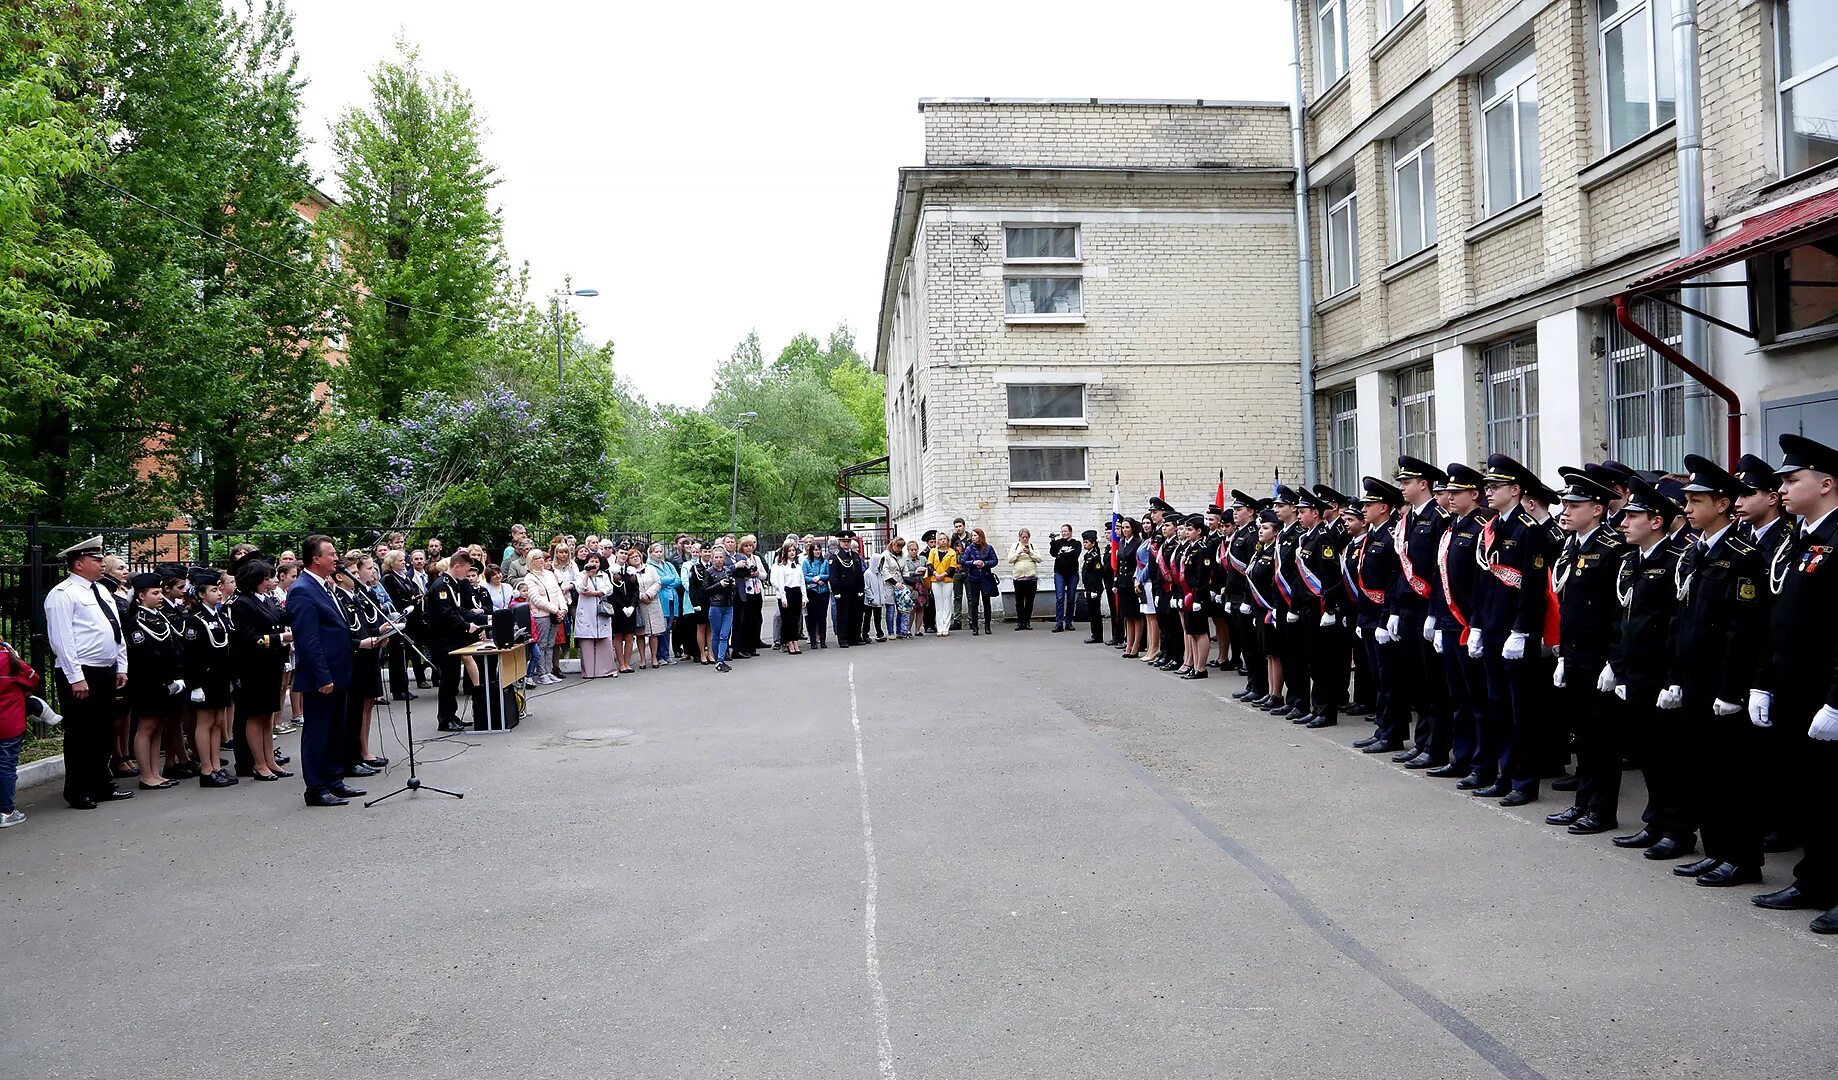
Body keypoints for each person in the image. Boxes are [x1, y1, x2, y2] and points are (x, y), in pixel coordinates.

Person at [1665, 455, 1767, 888]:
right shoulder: (1695, 551)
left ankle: (1742, 858)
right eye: (1686, 499)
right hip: (1692, 678)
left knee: (1730, 775)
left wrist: (1730, 689)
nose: (1687, 507)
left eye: (1696, 499)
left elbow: (1741, 630)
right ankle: (1717, 850)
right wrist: (1673, 676)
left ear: (1723, 503)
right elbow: (1681, 620)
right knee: (1701, 770)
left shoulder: (1742, 557)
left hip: (1721, 684)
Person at [1750, 434, 1838, 933]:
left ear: (1825, 484)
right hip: (1795, 685)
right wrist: (1764, 680)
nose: (1781, 488)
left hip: (1826, 689)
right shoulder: (1801, 539)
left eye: (1791, 479)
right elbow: (1778, 616)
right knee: (1813, 793)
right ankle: (1815, 880)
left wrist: (1837, 701)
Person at [1604, 477, 1692, 860]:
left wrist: (1673, 679)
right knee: (1649, 756)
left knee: (1671, 758)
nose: (1623, 522)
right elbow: (1624, 620)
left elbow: (1676, 625)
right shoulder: (1632, 561)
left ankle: (1678, 830)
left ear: (1656, 521)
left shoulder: (1674, 561)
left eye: (1633, 516)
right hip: (1636, 673)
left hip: (1661, 676)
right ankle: (1656, 822)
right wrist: (1618, 667)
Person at [1542, 470, 1628, 834]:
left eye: (1574, 505)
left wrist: (1614, 661)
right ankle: (1583, 802)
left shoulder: (1612, 549)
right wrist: (1563, 656)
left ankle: (1601, 810)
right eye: (1564, 503)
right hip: (1575, 653)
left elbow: (1619, 611)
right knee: (1583, 734)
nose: (1565, 510)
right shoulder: (1573, 544)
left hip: (1599, 658)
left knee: (1602, 737)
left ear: (1597, 509)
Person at [42, 536, 133, 809]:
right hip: (82, 672)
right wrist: (76, 677)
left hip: (105, 670)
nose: (101, 564)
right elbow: (61, 639)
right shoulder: (63, 594)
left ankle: (101, 783)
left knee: (104, 731)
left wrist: (122, 665)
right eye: (96, 560)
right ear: (78, 564)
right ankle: (78, 790)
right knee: (81, 733)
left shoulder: (102, 591)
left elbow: (115, 631)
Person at [287, 536, 362, 805]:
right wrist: (322, 676)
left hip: (339, 671)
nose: (336, 558)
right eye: (331, 554)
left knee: (335, 729)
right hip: (323, 675)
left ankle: (334, 779)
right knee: (318, 731)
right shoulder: (302, 589)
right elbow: (307, 639)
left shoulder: (325, 586)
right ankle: (316, 787)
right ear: (316, 558)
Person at [229, 560, 292, 782]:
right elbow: (248, 638)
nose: (269, 582)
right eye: (265, 579)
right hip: (253, 667)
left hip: (270, 664)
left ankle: (269, 759)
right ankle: (258, 762)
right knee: (255, 716)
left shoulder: (266, 600)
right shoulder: (242, 604)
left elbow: (281, 618)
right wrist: (280, 638)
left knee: (267, 716)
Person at [426, 550, 490, 732]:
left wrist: (480, 620)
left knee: (453, 678)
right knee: (448, 678)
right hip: (443, 638)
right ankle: (445, 719)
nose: (468, 575)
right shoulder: (442, 586)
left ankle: (451, 715)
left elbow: (459, 610)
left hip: (452, 637)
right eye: (466, 569)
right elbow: (446, 613)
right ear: (457, 566)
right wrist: (465, 626)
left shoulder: (453, 584)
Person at [0, 635, 41, 827]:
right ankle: (6, 811)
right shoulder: (7, 657)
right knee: (6, 767)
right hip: (9, 723)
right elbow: (33, 678)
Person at [520, 549, 566, 685]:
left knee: (551, 644)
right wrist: (555, 610)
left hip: (554, 614)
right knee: (542, 644)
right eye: (537, 558)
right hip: (541, 615)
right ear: (530, 561)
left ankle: (549, 670)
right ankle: (541, 673)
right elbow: (535, 598)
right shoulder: (529, 578)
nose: (541, 560)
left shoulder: (550, 574)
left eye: (542, 558)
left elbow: (558, 592)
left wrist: (563, 609)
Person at [572, 553, 616, 678]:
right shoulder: (580, 575)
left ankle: (606, 670)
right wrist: (586, 574)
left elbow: (609, 589)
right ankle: (589, 672)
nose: (594, 564)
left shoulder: (604, 575)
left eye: (596, 561)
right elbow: (581, 588)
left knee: (604, 638)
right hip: (586, 610)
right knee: (587, 639)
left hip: (601, 610)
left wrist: (597, 593)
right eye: (591, 561)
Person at [705, 541, 743, 672]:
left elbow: (734, 588)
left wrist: (731, 585)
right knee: (716, 634)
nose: (719, 560)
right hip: (715, 606)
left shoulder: (727, 570)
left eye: (721, 557)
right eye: (716, 557)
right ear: (712, 558)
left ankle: (721, 660)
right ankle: (718, 660)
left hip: (728, 606)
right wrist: (719, 585)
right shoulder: (709, 572)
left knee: (724, 635)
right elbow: (705, 590)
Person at [648, 543, 682, 666]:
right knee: (660, 628)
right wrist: (668, 579)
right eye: (656, 552)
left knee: (668, 628)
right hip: (660, 599)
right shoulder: (649, 566)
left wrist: (666, 582)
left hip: (672, 598)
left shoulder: (668, 565)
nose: (659, 554)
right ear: (651, 553)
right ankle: (659, 655)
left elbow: (678, 580)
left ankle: (667, 654)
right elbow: (657, 581)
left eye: (660, 551)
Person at [830, 533, 867, 646]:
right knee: (843, 615)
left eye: (848, 542)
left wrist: (861, 588)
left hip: (855, 590)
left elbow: (859, 574)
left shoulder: (855, 556)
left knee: (856, 614)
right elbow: (833, 576)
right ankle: (843, 638)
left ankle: (854, 637)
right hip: (843, 591)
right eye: (844, 542)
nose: (846, 544)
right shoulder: (836, 556)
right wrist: (836, 591)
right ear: (840, 543)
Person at [960, 529, 999, 636]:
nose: (973, 537)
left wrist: (985, 564)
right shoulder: (969, 548)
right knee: (974, 603)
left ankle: (987, 625)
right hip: (973, 578)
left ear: (980, 536)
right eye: (972, 535)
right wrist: (973, 563)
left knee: (986, 602)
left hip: (985, 578)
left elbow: (995, 560)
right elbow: (963, 561)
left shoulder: (988, 548)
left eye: (975, 535)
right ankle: (975, 627)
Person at [772, 540, 806, 655]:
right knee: (788, 620)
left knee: (796, 619)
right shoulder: (782, 567)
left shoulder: (798, 567)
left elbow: (802, 583)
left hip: (797, 592)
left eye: (793, 550)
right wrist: (783, 598)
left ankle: (795, 641)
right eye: (789, 551)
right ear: (785, 552)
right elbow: (781, 584)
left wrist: (804, 597)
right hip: (787, 592)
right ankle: (789, 642)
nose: (792, 553)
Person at [1078, 529, 1112, 644]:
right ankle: (1094, 634)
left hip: (1094, 589)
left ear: (1093, 543)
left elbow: (1097, 575)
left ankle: (1097, 635)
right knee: (1092, 612)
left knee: (1095, 613)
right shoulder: (1088, 555)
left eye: (1087, 542)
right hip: (1089, 588)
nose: (1084, 544)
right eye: (1084, 542)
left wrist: (1094, 589)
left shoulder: (1095, 556)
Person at [630, 547, 661, 670]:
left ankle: (654, 658)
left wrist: (649, 594)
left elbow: (657, 582)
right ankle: (642, 659)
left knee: (654, 633)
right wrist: (640, 596)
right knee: (640, 633)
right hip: (639, 605)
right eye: (632, 557)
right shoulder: (630, 572)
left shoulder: (650, 568)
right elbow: (630, 588)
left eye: (637, 556)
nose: (636, 558)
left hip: (652, 602)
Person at [925, 533, 958, 637]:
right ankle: (939, 627)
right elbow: (929, 564)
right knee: (938, 604)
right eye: (940, 539)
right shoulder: (933, 551)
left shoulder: (952, 552)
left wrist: (943, 574)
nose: (943, 541)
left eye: (944, 539)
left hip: (947, 579)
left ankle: (945, 627)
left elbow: (953, 566)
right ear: (937, 541)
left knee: (947, 602)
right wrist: (935, 574)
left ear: (947, 540)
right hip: (935, 579)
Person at [1049, 524, 1080, 632]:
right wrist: (1052, 541)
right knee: (1060, 598)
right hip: (1059, 573)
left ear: (1070, 532)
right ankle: (1059, 623)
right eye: (1062, 531)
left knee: (1071, 599)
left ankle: (1069, 622)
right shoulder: (1058, 543)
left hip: (1072, 574)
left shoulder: (1076, 543)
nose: (1064, 533)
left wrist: (1061, 554)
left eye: (1066, 531)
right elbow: (1053, 553)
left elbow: (1075, 554)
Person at [1009, 530, 1041, 630]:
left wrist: (1030, 553)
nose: (1025, 539)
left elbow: (1039, 559)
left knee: (1029, 602)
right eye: (1023, 537)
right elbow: (1010, 560)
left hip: (1031, 579)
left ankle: (1027, 622)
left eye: (1026, 537)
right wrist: (1018, 553)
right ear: (1019, 537)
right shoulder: (1015, 547)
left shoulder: (1032, 546)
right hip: (1018, 579)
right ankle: (1020, 622)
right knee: (1019, 602)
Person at [802, 540, 831, 647]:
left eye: (819, 550)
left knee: (822, 617)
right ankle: (813, 640)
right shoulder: (806, 562)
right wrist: (814, 579)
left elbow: (828, 574)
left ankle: (823, 640)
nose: (817, 552)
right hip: (812, 591)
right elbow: (804, 577)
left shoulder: (825, 562)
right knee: (812, 617)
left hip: (823, 592)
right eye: (815, 550)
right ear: (811, 551)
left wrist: (821, 577)